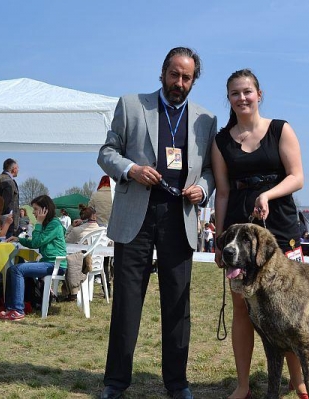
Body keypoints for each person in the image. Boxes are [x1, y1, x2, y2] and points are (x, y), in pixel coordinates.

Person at [97, 47, 216, 399]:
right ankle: (115, 382)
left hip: (179, 219)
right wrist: (131, 169)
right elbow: (107, 153)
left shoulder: (205, 120)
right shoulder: (132, 104)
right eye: (174, 74)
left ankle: (177, 383)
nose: (179, 82)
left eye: (187, 77)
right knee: (126, 303)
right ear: (162, 72)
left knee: (178, 305)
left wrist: (202, 189)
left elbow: (210, 170)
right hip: (136, 216)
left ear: (194, 80)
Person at [212, 68, 307, 399]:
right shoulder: (221, 141)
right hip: (239, 233)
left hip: (280, 224)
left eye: (247, 92)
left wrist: (267, 195)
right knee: (242, 308)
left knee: (290, 309)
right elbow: (222, 192)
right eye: (235, 93)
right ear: (229, 99)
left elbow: (297, 177)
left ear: (259, 94)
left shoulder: (281, 130)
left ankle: (299, 383)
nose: (242, 98)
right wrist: (219, 237)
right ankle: (242, 386)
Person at [0, 195, 67, 321]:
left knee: (16, 270)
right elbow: (35, 242)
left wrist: (39, 223)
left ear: (44, 210)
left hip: (55, 265)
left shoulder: (54, 225)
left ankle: (17, 310)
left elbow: (36, 242)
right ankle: (11, 308)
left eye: (35, 209)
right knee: (12, 269)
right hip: (49, 263)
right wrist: (20, 239)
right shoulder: (49, 224)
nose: (34, 212)